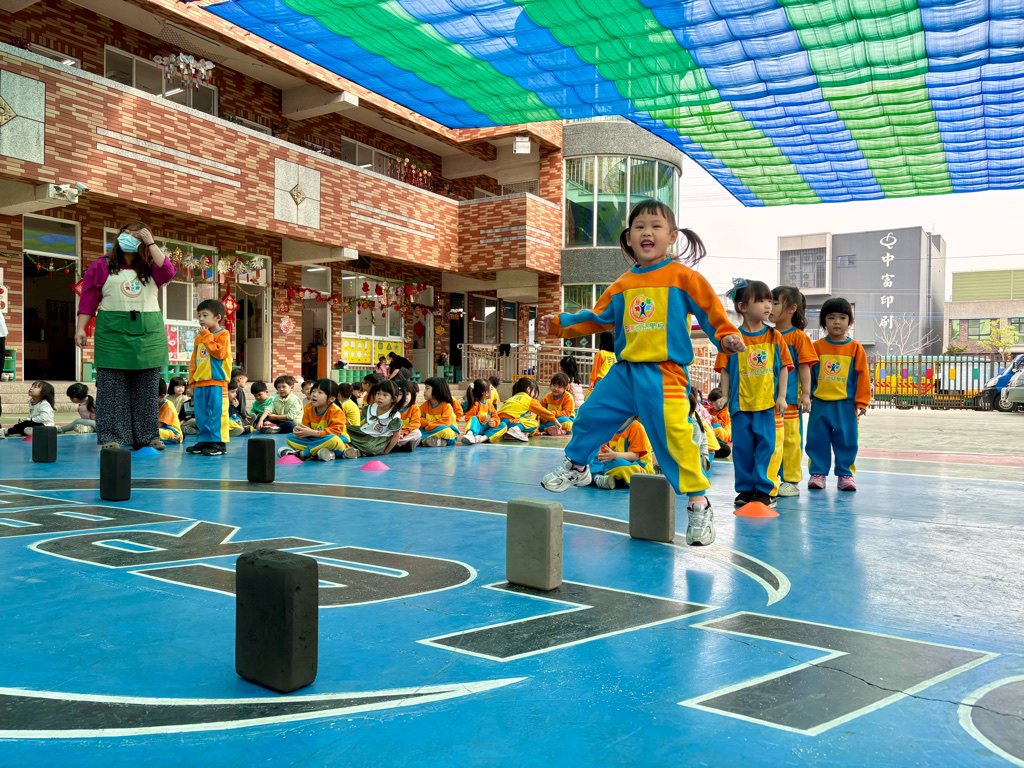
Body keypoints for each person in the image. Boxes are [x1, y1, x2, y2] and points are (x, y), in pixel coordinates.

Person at [538, 198, 744, 547]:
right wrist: (560, 324)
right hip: (625, 373)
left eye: (656, 226)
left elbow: (710, 311)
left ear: (672, 236)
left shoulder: (684, 278)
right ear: (630, 238)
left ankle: (699, 504)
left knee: (676, 439)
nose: (647, 232)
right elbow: (597, 317)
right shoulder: (622, 284)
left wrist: (726, 336)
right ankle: (577, 467)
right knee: (590, 415)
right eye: (639, 227)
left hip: (665, 374)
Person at [75, 221, 176, 450]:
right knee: (112, 389)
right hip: (112, 336)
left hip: (148, 336)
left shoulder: (153, 265)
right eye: (126, 233)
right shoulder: (101, 265)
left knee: (146, 390)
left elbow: (169, 272)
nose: (129, 238)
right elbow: (88, 300)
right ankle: (113, 437)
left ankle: (147, 436)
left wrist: (151, 243)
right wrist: (81, 328)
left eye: (137, 235)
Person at [715, 279, 792, 508]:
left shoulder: (774, 337)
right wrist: (725, 395)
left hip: (767, 405)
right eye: (760, 301)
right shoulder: (731, 339)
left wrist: (781, 396)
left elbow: (784, 367)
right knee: (742, 449)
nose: (768, 305)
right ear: (743, 307)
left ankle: (765, 490)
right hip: (740, 406)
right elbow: (725, 370)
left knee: (767, 447)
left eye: (770, 300)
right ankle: (746, 489)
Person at [807, 298, 870, 492]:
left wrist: (862, 402)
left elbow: (862, 376)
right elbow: (808, 374)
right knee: (817, 440)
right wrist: (806, 396)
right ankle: (818, 473)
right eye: (831, 317)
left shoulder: (856, 348)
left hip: (846, 405)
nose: (837, 322)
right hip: (820, 404)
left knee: (847, 440)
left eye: (842, 317)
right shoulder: (816, 347)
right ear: (823, 322)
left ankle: (845, 474)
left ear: (850, 321)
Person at [770, 286, 818, 497]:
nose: (769, 307)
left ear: (792, 309)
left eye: (775, 303)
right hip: (765, 401)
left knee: (790, 440)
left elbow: (805, 367)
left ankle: (791, 480)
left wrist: (806, 394)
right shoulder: (766, 334)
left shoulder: (798, 337)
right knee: (770, 441)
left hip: (789, 401)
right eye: (768, 302)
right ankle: (770, 478)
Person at [185, 299, 232, 457]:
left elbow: (219, 353)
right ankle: (204, 440)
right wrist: (192, 382)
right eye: (199, 315)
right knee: (201, 414)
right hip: (200, 383)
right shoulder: (199, 339)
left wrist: (206, 335)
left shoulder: (223, 334)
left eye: (205, 315)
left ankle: (219, 443)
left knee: (218, 413)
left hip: (217, 382)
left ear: (218, 317)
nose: (201, 319)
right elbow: (194, 362)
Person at [278, 378, 349, 462]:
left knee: (333, 440)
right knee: (290, 437)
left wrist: (313, 432)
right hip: (316, 440)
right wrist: (299, 431)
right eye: (313, 391)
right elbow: (305, 428)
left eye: (320, 392)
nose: (314, 395)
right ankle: (322, 453)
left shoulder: (336, 411)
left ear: (331, 398)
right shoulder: (308, 408)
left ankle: (303, 454)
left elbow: (335, 433)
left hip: (337, 442)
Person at [343, 379, 404, 458]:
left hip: (378, 439)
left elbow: (396, 436)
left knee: (370, 447)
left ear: (393, 399)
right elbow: (366, 424)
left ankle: (356, 451)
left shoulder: (394, 415)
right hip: (365, 434)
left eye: (385, 395)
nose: (380, 397)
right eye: (378, 393)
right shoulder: (370, 408)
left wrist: (386, 451)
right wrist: (358, 434)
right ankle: (349, 448)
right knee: (343, 429)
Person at [589, 416, 655, 490]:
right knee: (590, 460)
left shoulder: (636, 426)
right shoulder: (611, 427)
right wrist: (595, 451)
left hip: (638, 465)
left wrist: (614, 455)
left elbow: (635, 456)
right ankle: (602, 478)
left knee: (619, 464)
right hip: (611, 462)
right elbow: (603, 455)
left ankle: (596, 477)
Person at [482, 377, 554, 443]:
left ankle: (510, 433)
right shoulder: (530, 401)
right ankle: (516, 430)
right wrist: (554, 420)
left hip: (498, 422)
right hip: (510, 422)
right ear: (528, 389)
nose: (536, 394)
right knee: (533, 423)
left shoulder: (511, 399)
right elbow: (540, 414)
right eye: (535, 391)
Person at [420, 377, 459, 447]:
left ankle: (423, 440)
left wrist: (430, 425)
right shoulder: (424, 406)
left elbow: (445, 422)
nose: (424, 391)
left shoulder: (446, 406)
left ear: (436, 390)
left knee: (445, 430)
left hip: (446, 431)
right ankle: (438, 441)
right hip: (430, 430)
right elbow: (419, 419)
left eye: (427, 388)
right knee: (417, 431)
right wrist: (426, 422)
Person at [460, 378, 499, 445]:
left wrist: (494, 423)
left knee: (503, 425)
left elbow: (496, 418)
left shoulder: (490, 406)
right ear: (486, 393)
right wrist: (481, 418)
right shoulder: (475, 404)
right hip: (477, 429)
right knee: (473, 418)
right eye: (491, 389)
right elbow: (468, 418)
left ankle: (484, 438)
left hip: (486, 430)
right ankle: (470, 434)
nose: (492, 391)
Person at [393, 380, 422, 451]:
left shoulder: (414, 408)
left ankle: (394, 445)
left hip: (405, 434)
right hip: (392, 434)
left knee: (417, 433)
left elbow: (415, 424)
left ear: (412, 395)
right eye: (400, 394)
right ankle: (401, 445)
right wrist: (397, 434)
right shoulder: (391, 408)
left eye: (407, 394)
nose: (405, 397)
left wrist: (403, 432)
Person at [706, 388, 732, 460]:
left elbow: (723, 424)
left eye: (714, 403)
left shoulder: (725, 412)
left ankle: (713, 440)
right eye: (710, 404)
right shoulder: (709, 410)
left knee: (717, 427)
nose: (712, 406)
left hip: (724, 436)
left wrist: (714, 419)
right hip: (714, 433)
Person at [158, 379, 182, 444]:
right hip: (161, 429)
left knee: (154, 432)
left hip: (174, 433)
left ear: (161, 396)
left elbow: (159, 425)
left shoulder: (168, 405)